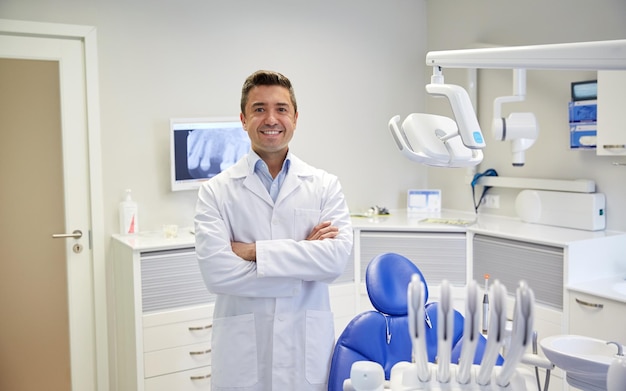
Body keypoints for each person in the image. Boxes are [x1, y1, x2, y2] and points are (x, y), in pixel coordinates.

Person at [194, 70, 354, 390]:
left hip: (304, 349)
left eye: (281, 109)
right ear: (243, 119)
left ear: (295, 117)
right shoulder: (215, 192)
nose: (271, 118)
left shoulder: (324, 186)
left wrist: (255, 252)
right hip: (243, 354)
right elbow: (217, 274)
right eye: (259, 109)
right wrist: (304, 258)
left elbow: (334, 262)